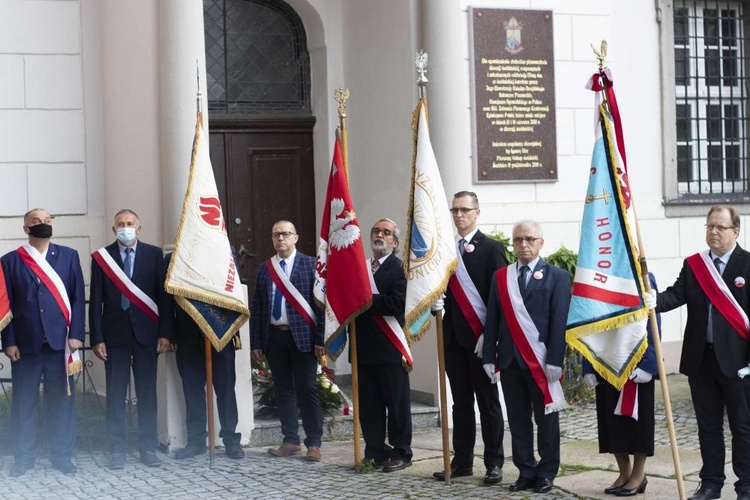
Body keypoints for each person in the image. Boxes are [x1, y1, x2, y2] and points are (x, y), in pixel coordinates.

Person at [651, 205, 750, 500]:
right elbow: (675, 295)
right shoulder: (695, 265)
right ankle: (710, 483)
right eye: (709, 226)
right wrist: (651, 300)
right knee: (708, 427)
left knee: (743, 428)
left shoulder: (747, 264)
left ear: (735, 231)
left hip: (738, 362)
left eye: (720, 227)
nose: (713, 232)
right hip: (701, 360)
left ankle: (746, 485)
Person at [483, 219, 571, 494]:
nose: (523, 244)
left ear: (540, 243)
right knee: (518, 420)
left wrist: (556, 359)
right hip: (509, 361)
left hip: (543, 363)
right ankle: (525, 470)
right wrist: (489, 356)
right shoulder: (502, 277)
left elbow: (559, 321)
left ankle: (546, 472)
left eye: (529, 239)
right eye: (518, 239)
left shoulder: (557, 276)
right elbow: (492, 319)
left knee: (546, 420)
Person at [1, 208, 85, 477]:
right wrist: (9, 341)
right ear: (26, 228)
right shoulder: (10, 261)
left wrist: (76, 335)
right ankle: (24, 458)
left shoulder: (69, 257)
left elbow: (76, 299)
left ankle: (62, 456)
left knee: (61, 403)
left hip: (60, 346)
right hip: (25, 347)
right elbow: (6, 306)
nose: (43, 225)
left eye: (47, 221)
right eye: (36, 221)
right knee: (24, 404)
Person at [432, 191, 508, 484]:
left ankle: (494, 463)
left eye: (465, 210)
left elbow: (500, 297)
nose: (459, 215)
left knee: (488, 403)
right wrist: (435, 305)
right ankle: (462, 460)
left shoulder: (492, 249)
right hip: (453, 338)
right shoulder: (445, 250)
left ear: (477, 212)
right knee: (460, 403)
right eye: (455, 210)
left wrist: (490, 336)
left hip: (480, 340)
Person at [89, 209, 172, 470]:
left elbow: (163, 296)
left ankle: (147, 446)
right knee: (115, 394)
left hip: (147, 335)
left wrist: (165, 333)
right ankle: (116, 448)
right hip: (114, 336)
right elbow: (96, 302)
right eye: (121, 224)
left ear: (139, 227)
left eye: (130, 224)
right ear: (114, 229)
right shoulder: (102, 258)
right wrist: (97, 338)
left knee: (147, 393)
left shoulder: (153, 254)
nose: (126, 228)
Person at [250, 220, 325, 462]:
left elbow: (321, 306)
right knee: (283, 390)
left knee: (307, 390)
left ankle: (314, 443)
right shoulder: (265, 268)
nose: (280, 239)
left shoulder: (311, 265)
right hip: (274, 336)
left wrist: (321, 338)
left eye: (285, 234)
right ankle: (290, 440)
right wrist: (256, 342)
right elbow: (258, 306)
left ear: (296, 238)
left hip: (304, 338)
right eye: (276, 235)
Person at [583, 273, 661, 497]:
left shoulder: (644, 277)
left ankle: (638, 474)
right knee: (611, 421)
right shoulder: (596, 275)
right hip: (605, 360)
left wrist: (649, 365)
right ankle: (624, 472)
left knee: (638, 422)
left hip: (636, 362)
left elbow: (654, 323)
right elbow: (589, 322)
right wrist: (588, 365)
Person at [166, 253, 244, 461]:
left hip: (220, 333)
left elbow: (232, 291)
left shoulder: (221, 251)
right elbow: (166, 300)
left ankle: (231, 440)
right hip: (186, 336)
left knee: (226, 388)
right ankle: (196, 441)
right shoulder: (171, 259)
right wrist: (169, 334)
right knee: (192, 391)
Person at [356, 218, 411, 472]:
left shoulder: (401, 269)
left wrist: (366, 299)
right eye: (376, 230)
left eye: (386, 232)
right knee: (370, 406)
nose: (379, 235)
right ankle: (375, 451)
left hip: (390, 348)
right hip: (363, 348)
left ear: (395, 242)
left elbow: (396, 304)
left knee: (397, 406)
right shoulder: (361, 267)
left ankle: (401, 452)